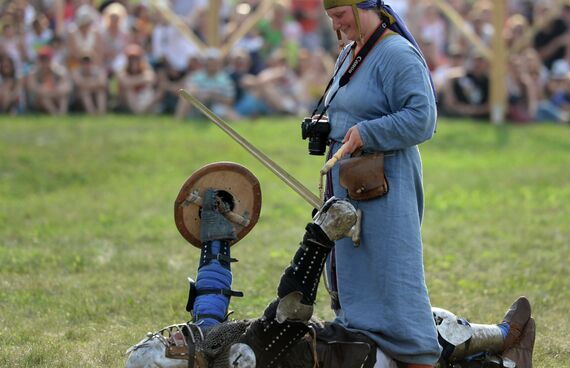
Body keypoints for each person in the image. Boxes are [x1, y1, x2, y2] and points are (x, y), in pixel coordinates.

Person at [124, 180, 536, 368]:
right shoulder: (239, 360)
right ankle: (505, 342)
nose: (172, 335)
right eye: (168, 347)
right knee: (433, 330)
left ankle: (506, 345)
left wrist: (216, 228)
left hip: (345, 340)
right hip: (359, 359)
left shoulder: (210, 346)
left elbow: (212, 291)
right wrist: (320, 237)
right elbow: (290, 311)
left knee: (425, 332)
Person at [312, 1, 442, 366]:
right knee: (352, 270)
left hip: (386, 184)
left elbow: (422, 118)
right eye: (331, 18)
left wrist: (366, 132)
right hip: (349, 182)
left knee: (390, 272)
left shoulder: (396, 53)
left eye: (340, 16)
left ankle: (415, 353)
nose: (336, 26)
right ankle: (366, 348)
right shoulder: (350, 53)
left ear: (363, 7)